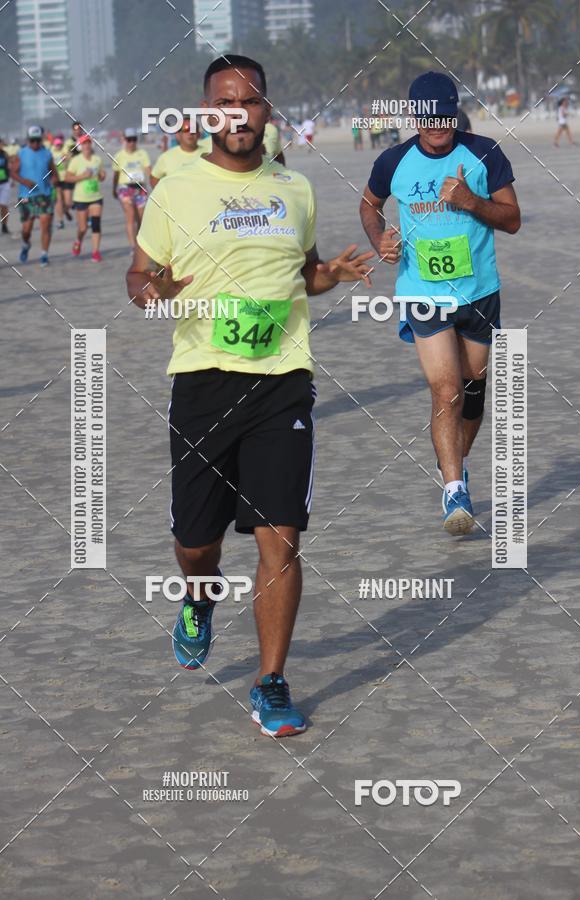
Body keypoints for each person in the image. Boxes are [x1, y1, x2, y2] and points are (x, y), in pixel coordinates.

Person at [126, 54, 373, 738]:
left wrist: (333, 276)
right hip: (203, 383)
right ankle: (198, 601)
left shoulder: (295, 188)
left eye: (252, 102)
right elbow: (139, 277)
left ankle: (270, 682)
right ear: (207, 115)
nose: (239, 115)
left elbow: (303, 275)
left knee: (281, 540)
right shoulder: (175, 190)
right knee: (197, 544)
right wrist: (154, 294)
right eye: (225, 104)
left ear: (268, 112)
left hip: (283, 385)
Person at [360, 71, 520, 535]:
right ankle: (454, 490)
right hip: (422, 293)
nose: (436, 126)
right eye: (426, 118)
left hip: (479, 293)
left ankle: (455, 461)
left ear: (455, 113)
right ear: (413, 116)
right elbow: (369, 205)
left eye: (444, 116)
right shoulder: (393, 160)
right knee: (445, 389)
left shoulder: (485, 153)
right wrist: (380, 240)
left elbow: (512, 220)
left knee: (472, 392)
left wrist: (472, 201)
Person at [11, 125, 57, 266]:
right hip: (26, 196)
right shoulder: (22, 153)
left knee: (45, 225)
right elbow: (13, 172)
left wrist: (54, 183)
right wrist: (25, 181)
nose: (35, 144)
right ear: (28, 140)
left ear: (41, 139)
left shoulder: (47, 153)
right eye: (32, 141)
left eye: (38, 140)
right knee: (26, 229)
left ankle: (44, 254)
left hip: (45, 195)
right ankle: (26, 244)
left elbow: (54, 172)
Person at [65, 134, 105, 261]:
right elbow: (67, 177)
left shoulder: (97, 159)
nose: (86, 146)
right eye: (84, 143)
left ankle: (95, 252)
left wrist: (102, 175)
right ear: (80, 146)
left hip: (96, 196)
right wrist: (82, 176)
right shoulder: (76, 161)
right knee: (83, 228)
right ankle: (78, 241)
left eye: (88, 143)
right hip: (81, 198)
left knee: (96, 224)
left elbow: (101, 175)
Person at [112, 128, 151, 249]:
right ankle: (133, 247)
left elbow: (148, 170)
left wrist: (154, 184)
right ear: (124, 140)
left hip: (140, 188)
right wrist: (114, 188)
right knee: (131, 216)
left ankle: (141, 244)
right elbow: (116, 174)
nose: (132, 143)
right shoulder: (119, 156)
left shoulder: (142, 153)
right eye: (129, 140)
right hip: (125, 188)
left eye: (134, 139)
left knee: (141, 219)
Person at [150, 116, 204, 188]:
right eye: (186, 129)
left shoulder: (209, 154)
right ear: (178, 134)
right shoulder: (166, 157)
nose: (190, 133)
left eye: (193, 130)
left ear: (199, 134)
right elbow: (154, 179)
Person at [63, 121, 85, 220]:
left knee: (84, 199)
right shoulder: (68, 142)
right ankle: (66, 210)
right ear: (72, 130)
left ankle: (86, 218)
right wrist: (71, 153)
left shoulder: (86, 140)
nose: (77, 131)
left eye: (79, 129)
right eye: (75, 129)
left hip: (82, 173)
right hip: (70, 173)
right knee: (68, 202)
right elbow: (64, 156)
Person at [50, 135, 68, 229]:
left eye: (59, 145)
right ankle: (60, 220)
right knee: (59, 200)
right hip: (57, 179)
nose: (58, 146)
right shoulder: (51, 153)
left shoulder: (64, 152)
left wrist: (66, 158)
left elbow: (69, 160)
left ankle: (66, 210)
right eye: (57, 145)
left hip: (65, 178)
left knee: (67, 201)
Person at [0, 138, 12, 234]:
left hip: (5, 183)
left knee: (4, 205)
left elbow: (10, 166)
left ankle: (4, 225)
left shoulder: (5, 154)